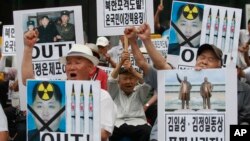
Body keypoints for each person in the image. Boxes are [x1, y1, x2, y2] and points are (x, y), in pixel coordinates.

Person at [124, 23, 223, 141]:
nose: (205, 61)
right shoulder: (176, 78)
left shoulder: (228, 89)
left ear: (219, 66)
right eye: (202, 57)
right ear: (196, 60)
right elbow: (147, 64)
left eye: (211, 59)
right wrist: (139, 41)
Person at [22, 30, 116, 141]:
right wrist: (28, 48)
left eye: (77, 62)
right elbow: (27, 81)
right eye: (69, 63)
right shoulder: (57, 89)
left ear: (90, 68)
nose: (71, 67)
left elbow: (104, 133)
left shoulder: (102, 96)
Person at [108, 51, 151, 141]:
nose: (128, 81)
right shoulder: (114, 91)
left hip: (137, 123)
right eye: (125, 79)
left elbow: (147, 84)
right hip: (117, 123)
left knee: (148, 132)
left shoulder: (140, 91)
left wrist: (133, 71)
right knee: (106, 132)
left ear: (136, 80)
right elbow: (111, 80)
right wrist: (121, 63)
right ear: (119, 81)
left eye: (131, 78)